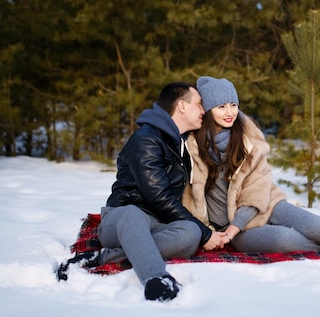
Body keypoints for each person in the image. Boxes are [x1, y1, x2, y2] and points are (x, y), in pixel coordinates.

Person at [181, 76, 320, 254]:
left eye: (234, 105)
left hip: (264, 203)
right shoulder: (191, 145)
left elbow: (257, 189)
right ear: (207, 110)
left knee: (315, 225)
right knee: (285, 240)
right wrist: (225, 231)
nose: (230, 112)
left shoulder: (247, 136)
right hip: (230, 228)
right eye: (221, 106)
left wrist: (236, 226)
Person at [97, 82, 228, 302]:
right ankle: (156, 279)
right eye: (199, 104)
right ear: (182, 106)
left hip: (155, 224)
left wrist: (202, 231)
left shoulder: (178, 142)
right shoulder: (146, 139)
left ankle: (114, 256)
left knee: (190, 232)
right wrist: (207, 234)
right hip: (122, 219)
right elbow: (158, 197)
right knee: (133, 213)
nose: (204, 111)